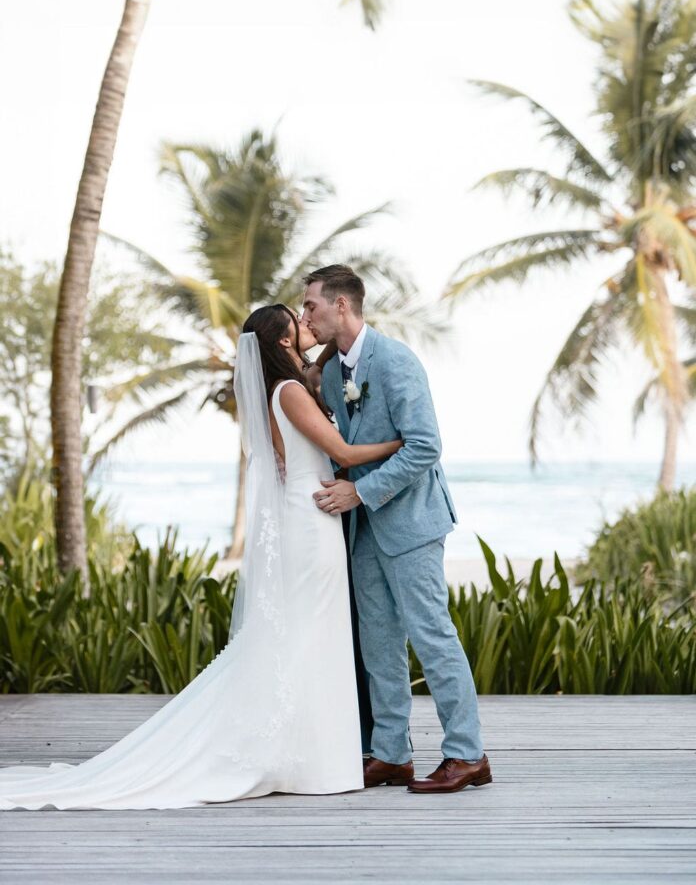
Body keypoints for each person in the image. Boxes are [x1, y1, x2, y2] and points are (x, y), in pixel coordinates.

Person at [0, 304, 402, 810]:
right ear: (281, 342)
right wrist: (401, 443)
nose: (306, 326)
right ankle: (312, 759)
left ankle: (312, 757)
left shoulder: (276, 390)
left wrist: (324, 352)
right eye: (296, 323)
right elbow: (341, 454)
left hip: (306, 515)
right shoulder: (291, 392)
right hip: (312, 518)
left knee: (308, 633)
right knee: (312, 633)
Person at [302, 265, 492, 794]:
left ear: (342, 306)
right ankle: (391, 754)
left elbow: (426, 445)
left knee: (433, 636)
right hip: (365, 530)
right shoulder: (334, 371)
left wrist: (359, 491)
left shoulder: (396, 360)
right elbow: (347, 444)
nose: (306, 316)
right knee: (379, 643)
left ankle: (467, 754)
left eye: (311, 306)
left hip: (410, 524)